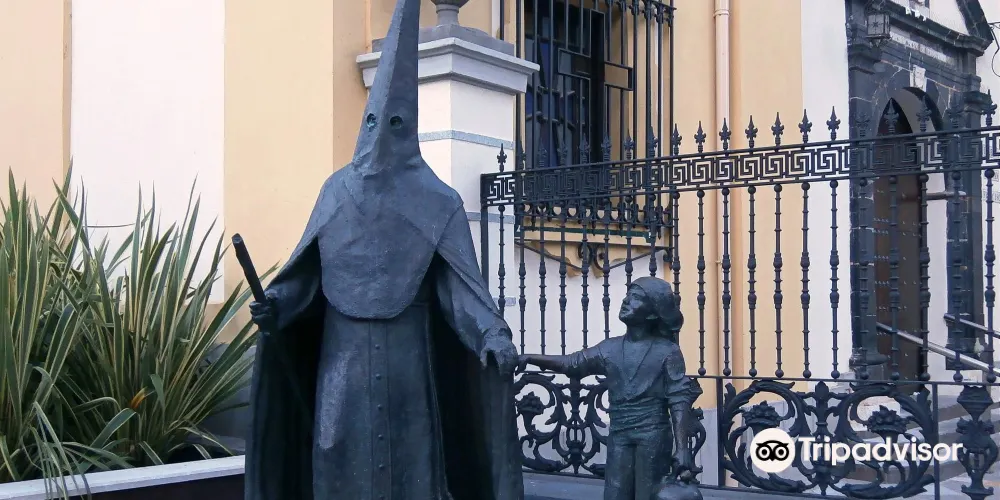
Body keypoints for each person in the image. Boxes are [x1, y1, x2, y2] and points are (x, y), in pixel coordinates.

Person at [242, 0, 523, 498]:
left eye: (392, 124)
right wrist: (277, 304)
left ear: (407, 126)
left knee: (411, 460)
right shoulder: (335, 192)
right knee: (335, 451)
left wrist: (491, 335)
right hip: (342, 362)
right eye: (372, 123)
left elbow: (460, 293)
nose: (379, 138)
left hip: (407, 362)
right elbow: (306, 275)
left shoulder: (438, 201)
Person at [518, 277, 700, 500]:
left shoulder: (667, 352)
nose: (626, 300)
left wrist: (682, 448)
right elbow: (572, 364)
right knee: (615, 492)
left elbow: (678, 399)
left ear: (653, 314)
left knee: (648, 493)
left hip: (653, 436)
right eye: (628, 295)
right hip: (619, 434)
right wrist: (529, 358)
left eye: (636, 297)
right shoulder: (610, 348)